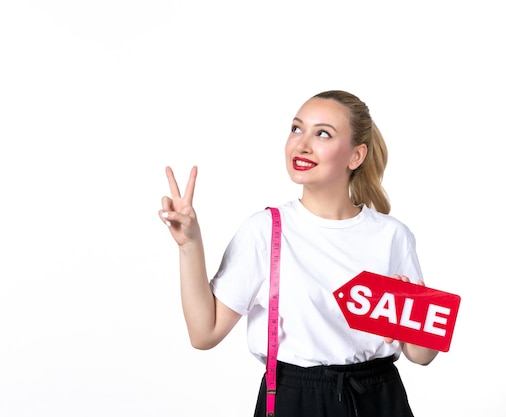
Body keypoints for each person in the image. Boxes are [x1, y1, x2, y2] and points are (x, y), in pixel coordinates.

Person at [158, 90, 438, 417]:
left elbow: (422, 355)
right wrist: (190, 244)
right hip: (296, 400)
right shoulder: (265, 231)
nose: (301, 144)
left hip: (379, 398)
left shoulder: (392, 235)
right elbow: (204, 333)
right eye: (296, 129)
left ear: (356, 156)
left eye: (322, 133)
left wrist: (408, 320)